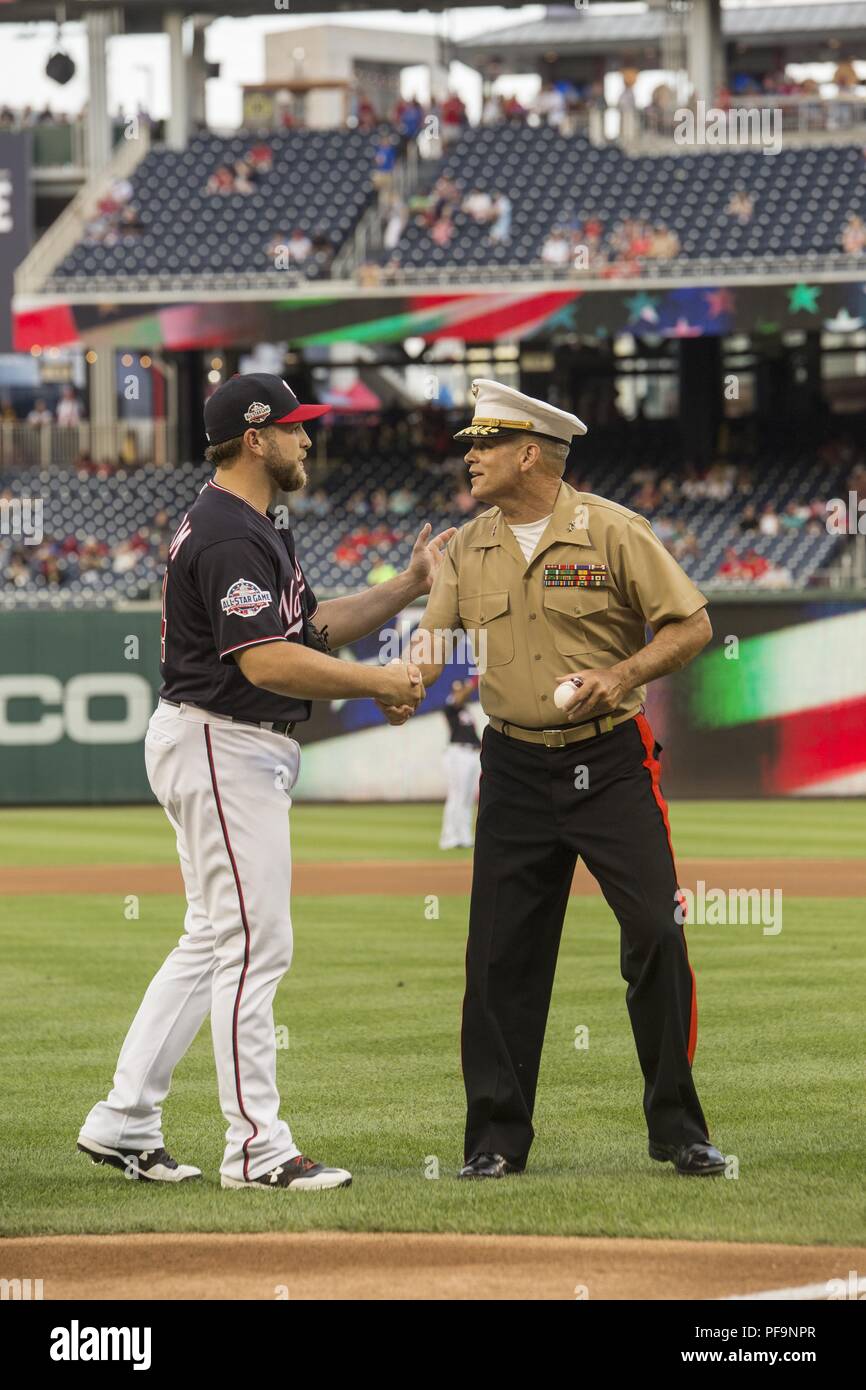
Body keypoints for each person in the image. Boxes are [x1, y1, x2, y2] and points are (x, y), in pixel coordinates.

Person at [77, 372, 454, 1191]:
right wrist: (381, 683)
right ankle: (256, 1148)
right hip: (223, 741)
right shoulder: (227, 533)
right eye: (294, 428)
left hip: (225, 742)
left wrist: (405, 586)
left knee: (214, 939)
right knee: (255, 942)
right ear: (256, 439)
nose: (306, 439)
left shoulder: (251, 526)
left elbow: (311, 629)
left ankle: (124, 1118)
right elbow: (268, 660)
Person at [382, 378, 725, 1181]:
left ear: (528, 452)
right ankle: (497, 1141)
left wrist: (624, 672)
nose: (469, 457)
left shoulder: (612, 531)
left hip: (610, 760)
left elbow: (694, 622)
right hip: (512, 765)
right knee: (500, 957)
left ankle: (679, 1129)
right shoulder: (467, 547)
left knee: (656, 933)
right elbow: (431, 646)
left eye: (483, 445)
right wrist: (398, 687)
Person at [439, 678, 481, 850]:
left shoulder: (465, 710)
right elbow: (458, 698)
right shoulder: (451, 707)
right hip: (457, 753)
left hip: (471, 753)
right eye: (457, 689)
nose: (460, 691)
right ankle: (448, 837)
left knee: (467, 797)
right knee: (456, 795)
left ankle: (463, 836)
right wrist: (474, 682)